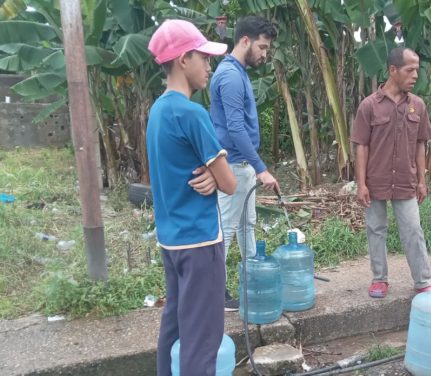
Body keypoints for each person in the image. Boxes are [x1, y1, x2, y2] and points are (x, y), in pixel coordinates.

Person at [146, 19, 237, 376]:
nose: (209, 67)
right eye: (204, 58)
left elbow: (176, 169)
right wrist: (216, 179)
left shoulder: (158, 111)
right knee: (202, 340)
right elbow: (230, 183)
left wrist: (211, 178)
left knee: (176, 326)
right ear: (183, 60)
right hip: (200, 241)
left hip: (171, 240)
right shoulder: (191, 113)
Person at [351, 47, 431, 299]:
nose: (415, 75)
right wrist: (361, 183)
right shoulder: (369, 106)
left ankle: (423, 281)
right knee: (376, 229)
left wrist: (422, 180)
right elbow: (361, 146)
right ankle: (379, 279)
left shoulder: (417, 105)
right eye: (410, 70)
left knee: (412, 229)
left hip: (406, 181)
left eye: (417, 70)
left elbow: (420, 144)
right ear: (392, 70)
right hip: (376, 180)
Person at [209, 15, 279, 311]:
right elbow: (236, 128)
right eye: (262, 47)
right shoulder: (230, 76)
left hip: (241, 166)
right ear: (245, 40)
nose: (264, 54)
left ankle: (253, 284)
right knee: (224, 231)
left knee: (246, 226)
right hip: (234, 166)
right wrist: (261, 168)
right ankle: (214, 295)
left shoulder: (237, 72)